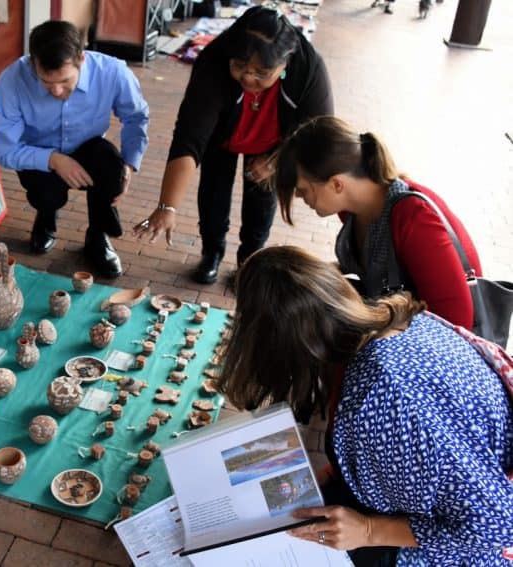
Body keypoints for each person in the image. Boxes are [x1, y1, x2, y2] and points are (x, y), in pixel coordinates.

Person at [219, 245, 513, 566]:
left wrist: (370, 530)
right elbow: (416, 455)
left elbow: (496, 527)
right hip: (443, 497)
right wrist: (347, 473)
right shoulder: (396, 323)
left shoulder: (385, 394)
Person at [133, 6, 333, 284]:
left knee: (262, 197)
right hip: (222, 134)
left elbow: (318, 130)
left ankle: (249, 262)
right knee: (214, 190)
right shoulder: (214, 60)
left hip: (275, 142)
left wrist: (278, 160)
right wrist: (168, 206)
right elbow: (189, 138)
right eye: (239, 67)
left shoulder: (308, 67)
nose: (248, 78)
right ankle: (211, 253)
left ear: (284, 64)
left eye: (262, 72)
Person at [275, 115, 481, 330]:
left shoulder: (415, 219)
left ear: (337, 184)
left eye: (303, 189)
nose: (299, 197)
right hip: (400, 327)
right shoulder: (352, 209)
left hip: (440, 347)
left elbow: (457, 323)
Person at [0, 20, 149, 278]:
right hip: (39, 152)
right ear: (33, 64)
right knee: (46, 195)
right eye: (46, 82)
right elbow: (4, 150)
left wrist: (129, 164)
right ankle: (46, 216)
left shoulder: (112, 72)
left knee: (112, 169)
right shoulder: (12, 80)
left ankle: (97, 237)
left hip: (88, 148)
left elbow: (136, 117)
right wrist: (52, 160)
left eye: (65, 81)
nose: (57, 91)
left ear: (81, 60)